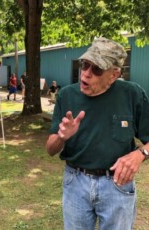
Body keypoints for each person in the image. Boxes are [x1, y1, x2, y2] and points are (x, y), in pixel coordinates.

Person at [46, 37, 149, 230]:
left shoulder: (132, 94)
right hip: (75, 183)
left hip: (117, 185)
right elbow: (50, 149)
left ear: (114, 74)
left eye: (96, 69)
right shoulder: (67, 95)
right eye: (84, 65)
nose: (85, 74)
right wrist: (61, 137)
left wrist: (140, 154)